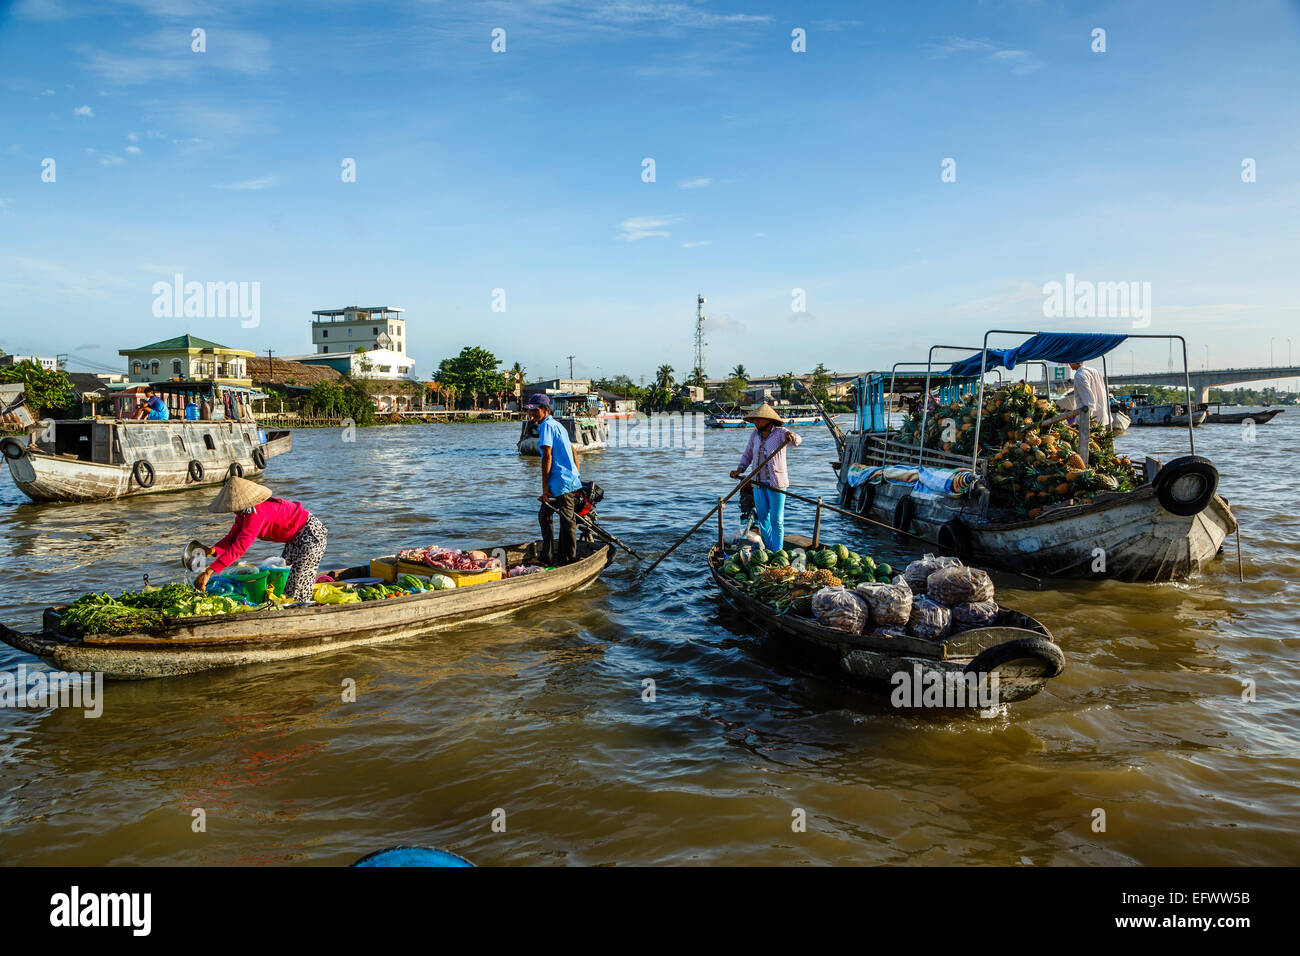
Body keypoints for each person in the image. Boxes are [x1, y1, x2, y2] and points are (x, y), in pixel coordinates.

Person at [193, 477, 328, 603]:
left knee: (299, 581)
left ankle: (301, 613)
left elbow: (239, 547)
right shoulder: (243, 513)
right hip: (295, 537)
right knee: (285, 576)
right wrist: (212, 550)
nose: (234, 511)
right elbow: (232, 538)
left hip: (311, 534)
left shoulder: (256, 514)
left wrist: (208, 571)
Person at [729, 403, 801, 553]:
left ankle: (778, 551)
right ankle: (769, 550)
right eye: (755, 420)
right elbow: (748, 454)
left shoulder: (781, 433)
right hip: (758, 483)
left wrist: (792, 437)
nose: (757, 423)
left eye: (759, 420)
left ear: (768, 420)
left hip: (776, 484)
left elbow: (797, 440)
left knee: (777, 520)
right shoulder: (754, 435)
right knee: (763, 520)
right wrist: (740, 469)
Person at [528, 393, 582, 565]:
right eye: (530, 411)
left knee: (567, 521)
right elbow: (573, 451)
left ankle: (569, 559)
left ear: (545, 410)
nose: (531, 415)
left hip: (561, 481)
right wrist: (576, 474)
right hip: (566, 479)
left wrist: (544, 489)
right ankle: (549, 556)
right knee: (546, 515)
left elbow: (547, 457)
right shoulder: (558, 425)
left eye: (535, 411)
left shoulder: (546, 426)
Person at [1068, 362, 1113, 431]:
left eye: (1070, 362)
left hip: (1090, 421)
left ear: (1075, 361)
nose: (1069, 364)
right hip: (1101, 417)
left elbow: (1089, 402)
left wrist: (1087, 422)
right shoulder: (1094, 371)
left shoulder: (1079, 375)